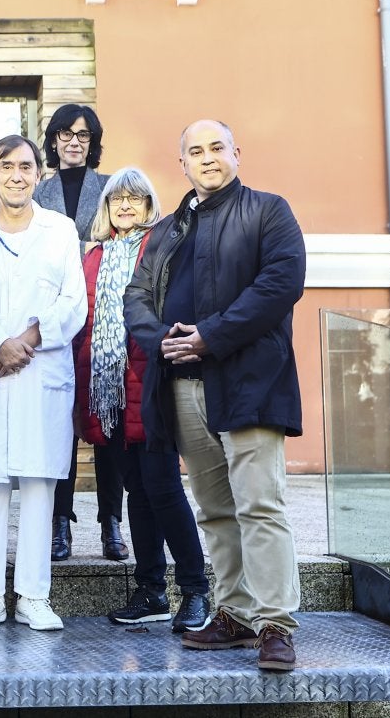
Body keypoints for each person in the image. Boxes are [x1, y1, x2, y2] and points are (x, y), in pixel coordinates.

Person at [125, 119, 305, 671]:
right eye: (195, 151)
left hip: (250, 382)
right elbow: (136, 298)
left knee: (260, 504)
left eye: (216, 147)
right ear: (181, 163)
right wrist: (168, 343)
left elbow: (281, 283)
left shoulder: (269, 211)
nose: (207, 158)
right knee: (216, 510)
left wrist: (211, 335)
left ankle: (275, 624)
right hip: (181, 386)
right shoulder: (167, 230)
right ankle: (233, 612)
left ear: (236, 154)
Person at [0, 134, 86, 632]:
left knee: (37, 485)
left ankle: (33, 596)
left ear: (39, 173)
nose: (15, 175)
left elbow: (74, 301)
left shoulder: (61, 230)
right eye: (6, 165)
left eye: (25, 166)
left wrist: (28, 339)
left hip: (39, 370)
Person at [72, 168, 212, 633]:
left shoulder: (163, 250)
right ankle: (151, 590)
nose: (126, 206)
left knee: (164, 489)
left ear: (151, 205)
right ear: (106, 209)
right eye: (117, 199)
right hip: (107, 390)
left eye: (136, 198)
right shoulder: (93, 257)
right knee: (137, 491)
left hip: (151, 386)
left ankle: (195, 590)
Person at [31, 104, 125, 563]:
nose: (74, 142)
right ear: (52, 140)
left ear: (93, 142)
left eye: (83, 136)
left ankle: (111, 522)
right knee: (58, 427)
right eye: (65, 134)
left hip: (103, 322)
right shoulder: (36, 190)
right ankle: (59, 523)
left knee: (108, 424)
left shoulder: (112, 189)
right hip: (50, 322)